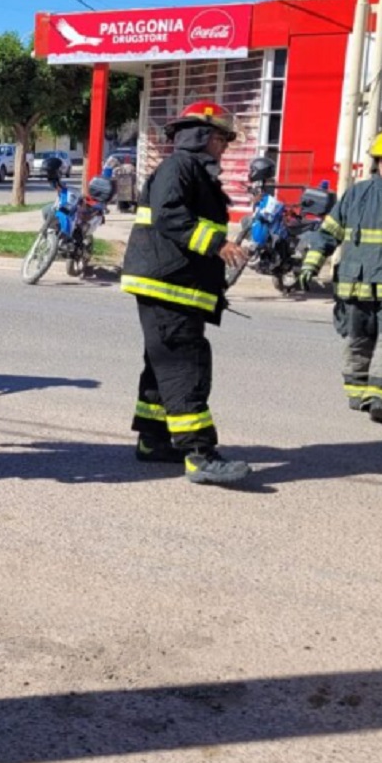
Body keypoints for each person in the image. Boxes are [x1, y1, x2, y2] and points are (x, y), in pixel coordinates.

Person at [120, 101, 250, 485]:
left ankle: (154, 440)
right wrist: (217, 245)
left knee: (164, 365)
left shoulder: (190, 168)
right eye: (223, 138)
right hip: (171, 285)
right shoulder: (181, 167)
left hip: (173, 285)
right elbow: (170, 214)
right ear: (206, 136)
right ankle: (200, 454)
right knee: (185, 368)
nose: (225, 146)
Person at [299, 127, 382, 423]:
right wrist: (311, 263)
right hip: (356, 288)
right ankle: (358, 390)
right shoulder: (357, 195)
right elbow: (329, 232)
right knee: (355, 343)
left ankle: (381, 399)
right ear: (376, 162)